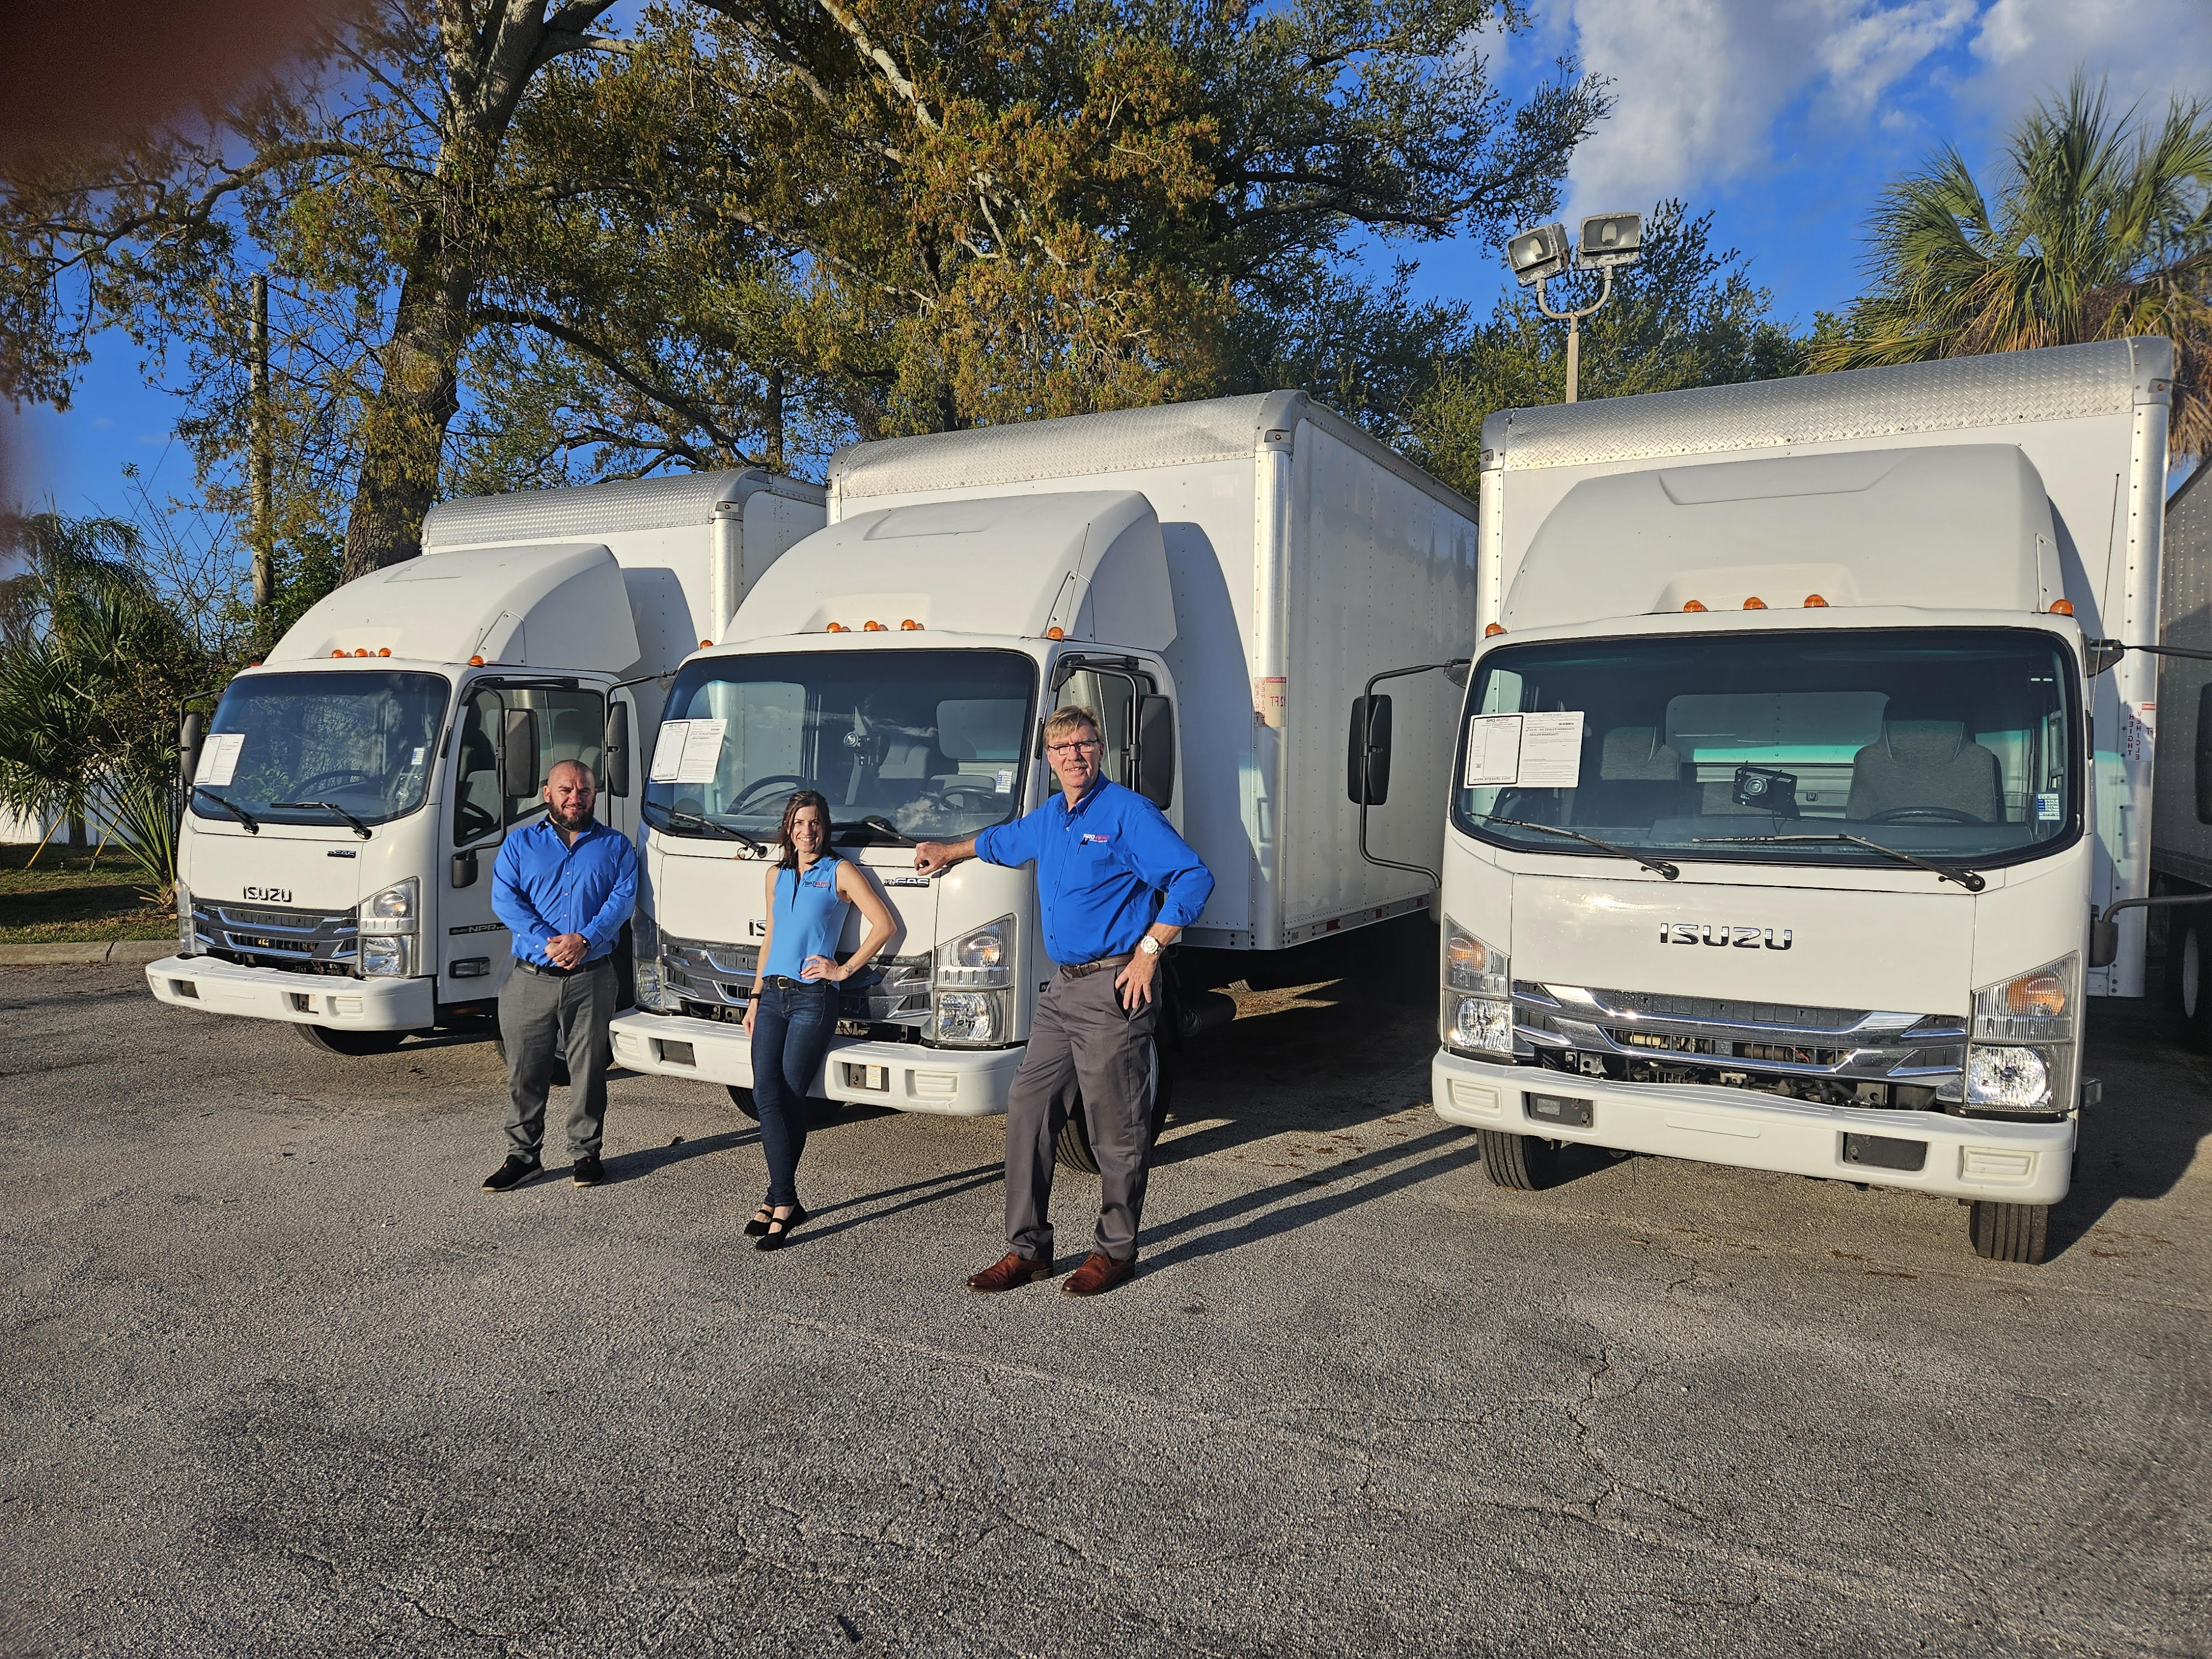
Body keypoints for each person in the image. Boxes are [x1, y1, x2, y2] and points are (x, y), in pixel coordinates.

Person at [912, 704, 1213, 1297]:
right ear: (1048, 760)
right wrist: (949, 851)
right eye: (1062, 748)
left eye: (1084, 743)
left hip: (1112, 985)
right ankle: (1028, 1251)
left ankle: (1116, 1251)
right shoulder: (1050, 817)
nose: (1074, 755)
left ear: (1100, 750)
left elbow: (1192, 877)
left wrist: (1150, 951)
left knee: (1115, 1128)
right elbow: (1001, 841)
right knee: (1028, 1105)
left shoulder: (1128, 813)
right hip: (1063, 989)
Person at [743, 790, 895, 1250]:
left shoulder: (839, 872)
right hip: (771, 996)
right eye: (799, 823)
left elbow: (885, 925)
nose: (807, 831)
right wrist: (753, 997)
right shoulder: (776, 875)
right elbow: (771, 938)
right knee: (764, 1092)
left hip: (813, 999)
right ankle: (783, 1197)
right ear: (788, 830)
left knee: (790, 1095)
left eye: (815, 823)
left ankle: (781, 1202)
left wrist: (843, 970)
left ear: (824, 828)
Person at [482, 758, 638, 1193]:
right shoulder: (518, 845)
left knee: (588, 1070)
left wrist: (585, 940)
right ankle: (523, 1156)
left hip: (592, 977)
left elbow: (622, 900)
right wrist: (549, 941)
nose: (575, 798)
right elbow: (505, 899)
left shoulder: (617, 847)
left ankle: (586, 1153)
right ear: (547, 793)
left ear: (594, 795)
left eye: (584, 790)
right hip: (530, 975)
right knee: (525, 1071)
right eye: (566, 790)